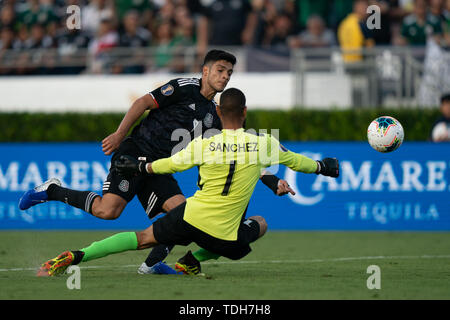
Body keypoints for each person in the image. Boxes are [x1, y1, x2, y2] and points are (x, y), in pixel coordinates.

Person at [19, 49, 291, 275]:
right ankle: (51, 190)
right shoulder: (184, 87)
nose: (225, 76)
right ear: (205, 71)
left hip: (158, 167)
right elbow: (142, 103)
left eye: (229, 72)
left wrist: (271, 181)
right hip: (134, 153)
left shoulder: (215, 115)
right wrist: (119, 134)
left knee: (184, 217)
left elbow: (242, 153)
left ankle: (150, 265)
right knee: (108, 211)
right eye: (220, 70)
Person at [36, 87, 339, 277]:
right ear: (245, 113)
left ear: (219, 113)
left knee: (142, 238)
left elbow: (167, 165)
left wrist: (140, 165)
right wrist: (323, 168)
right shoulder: (265, 143)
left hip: (189, 217)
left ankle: (78, 255)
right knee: (259, 223)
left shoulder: (204, 144)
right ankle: (191, 260)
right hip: (224, 235)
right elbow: (298, 161)